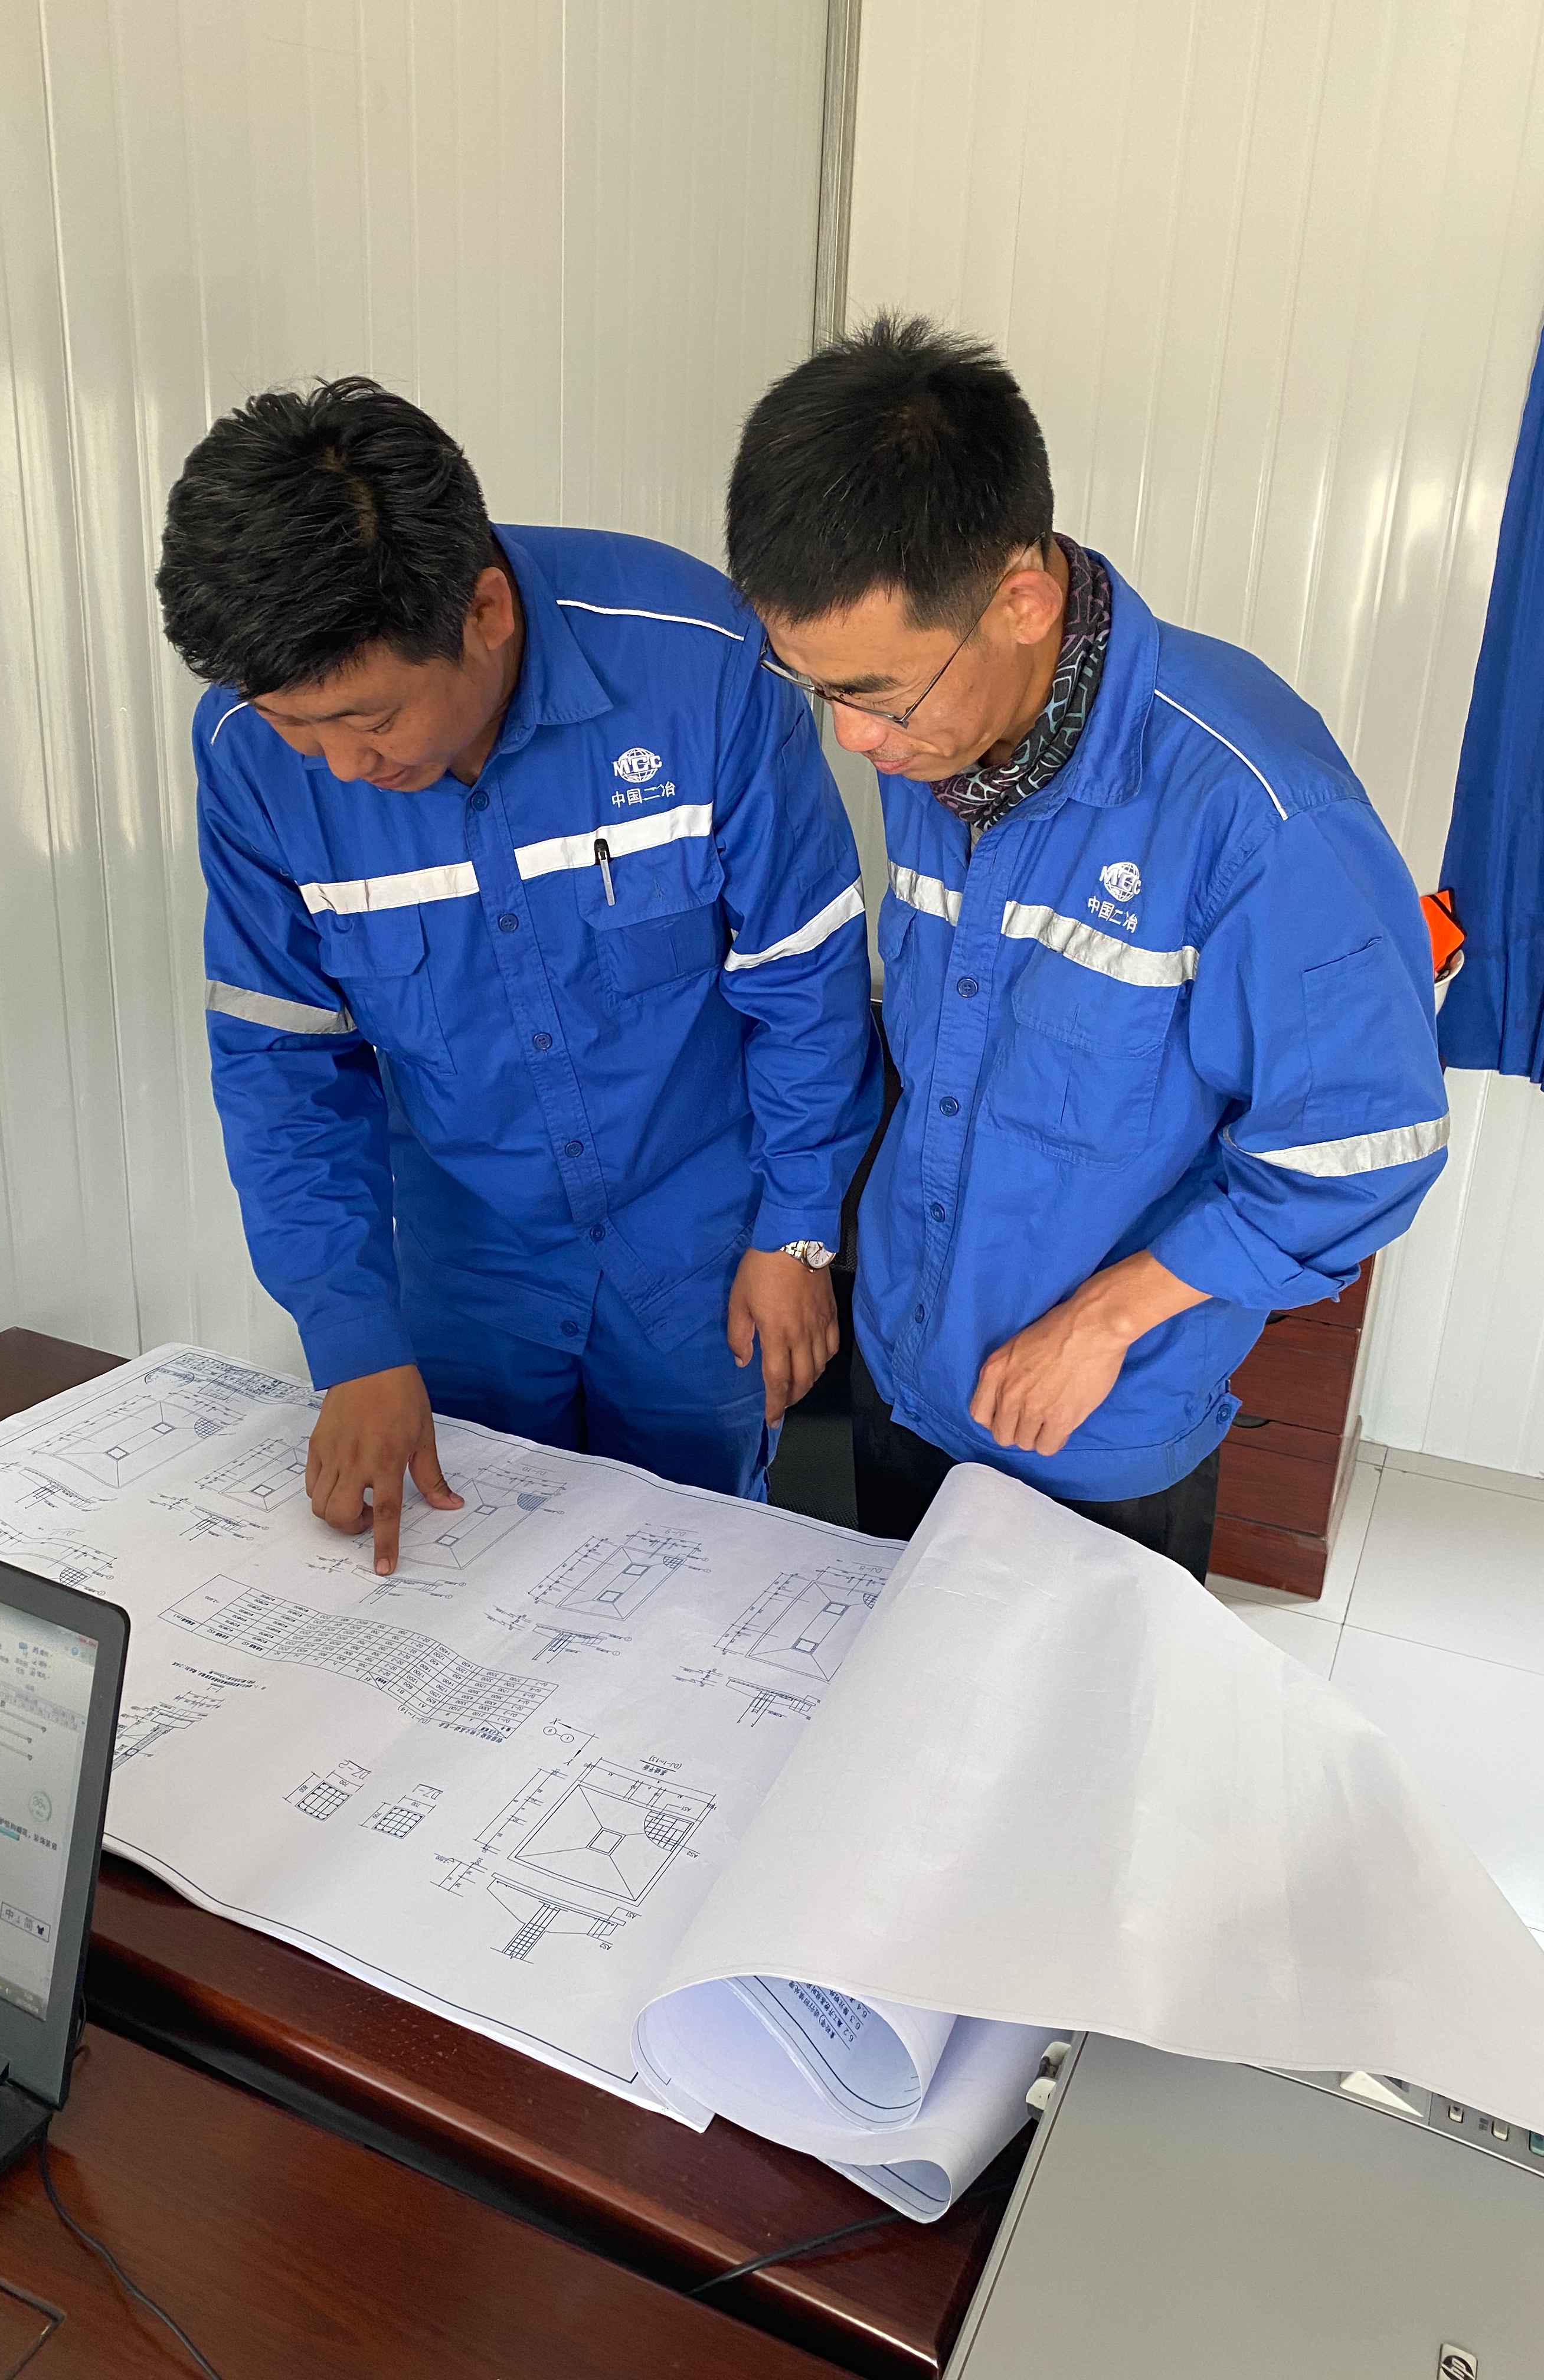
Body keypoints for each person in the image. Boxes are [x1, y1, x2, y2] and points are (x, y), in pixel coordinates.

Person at [724, 316, 1449, 1578]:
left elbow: (1364, 1145)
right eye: (818, 687)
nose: (854, 741)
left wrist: (1108, 1319)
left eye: (878, 694)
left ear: (1021, 601)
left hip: (1092, 1425)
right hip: (907, 1366)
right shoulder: (941, 745)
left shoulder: (1256, 811)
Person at [156, 379, 881, 1571]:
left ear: (484, 610)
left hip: (701, 1239)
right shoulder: (248, 759)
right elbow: (283, 1064)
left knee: (693, 1581)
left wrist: (799, 1228)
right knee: (469, 1578)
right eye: (297, 728)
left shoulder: (696, 664)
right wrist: (353, 1338)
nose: (338, 769)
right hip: (466, 1251)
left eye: (369, 719)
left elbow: (804, 976)